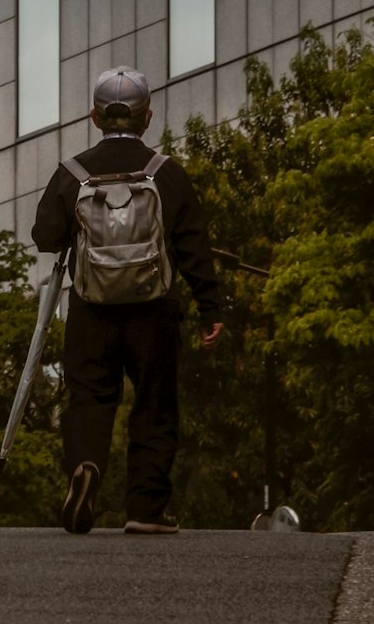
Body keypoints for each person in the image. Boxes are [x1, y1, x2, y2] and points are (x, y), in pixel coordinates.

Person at [32, 66, 222, 536]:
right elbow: (194, 247)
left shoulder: (70, 174)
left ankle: (87, 464)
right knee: (155, 405)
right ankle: (145, 509)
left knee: (89, 398)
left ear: (94, 116)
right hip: (153, 309)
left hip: (91, 308)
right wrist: (211, 310)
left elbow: (45, 237)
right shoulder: (167, 173)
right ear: (148, 117)